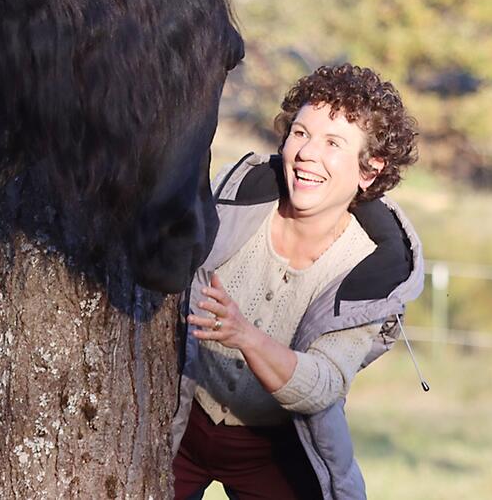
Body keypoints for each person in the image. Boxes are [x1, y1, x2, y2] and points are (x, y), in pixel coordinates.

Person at [171, 64, 424, 500]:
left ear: (370, 170)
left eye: (333, 143)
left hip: (273, 448)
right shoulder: (232, 200)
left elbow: (324, 385)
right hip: (179, 421)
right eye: (301, 133)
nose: (307, 153)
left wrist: (245, 336)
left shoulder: (374, 270)